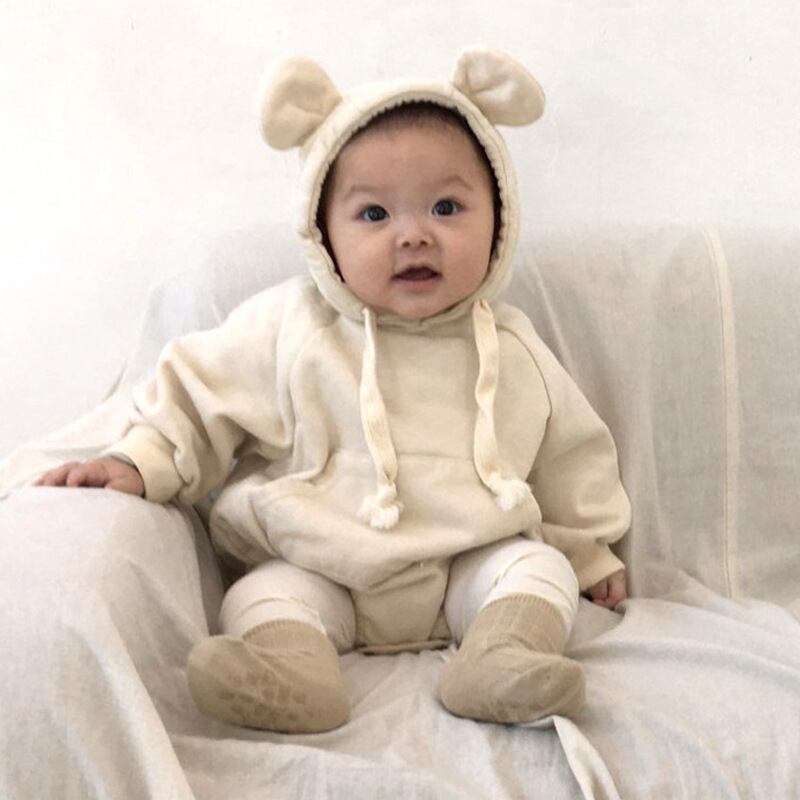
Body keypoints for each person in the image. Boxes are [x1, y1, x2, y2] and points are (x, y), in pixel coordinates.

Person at [35, 47, 630, 734]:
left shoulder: (514, 347)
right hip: (324, 568)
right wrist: (140, 460)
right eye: (374, 215)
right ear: (322, 233)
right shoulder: (290, 327)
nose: (414, 236)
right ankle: (293, 673)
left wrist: (586, 550)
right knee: (262, 593)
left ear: (498, 217)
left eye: (446, 207)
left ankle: (500, 659)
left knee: (538, 570)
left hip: (466, 569)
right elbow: (201, 394)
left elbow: (570, 456)